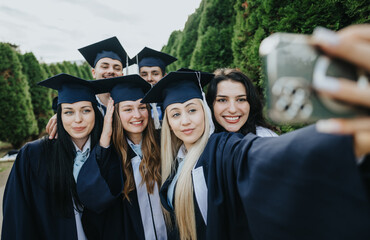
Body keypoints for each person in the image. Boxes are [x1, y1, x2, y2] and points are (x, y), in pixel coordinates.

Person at [141, 70, 370, 240]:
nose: (185, 121)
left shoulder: (222, 147)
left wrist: (345, 139)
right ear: (168, 122)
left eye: (192, 110)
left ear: (205, 112)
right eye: (175, 114)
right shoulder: (176, 159)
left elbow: (266, 156)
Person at [1, 73, 121, 239]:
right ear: (59, 116)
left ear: (96, 112)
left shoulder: (111, 151)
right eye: (68, 112)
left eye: (85, 110)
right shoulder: (33, 155)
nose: (78, 120)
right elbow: (17, 215)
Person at [77, 75, 167, 239]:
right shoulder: (111, 154)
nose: (137, 115)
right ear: (115, 113)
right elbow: (92, 197)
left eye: (142, 107)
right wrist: (105, 138)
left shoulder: (164, 145)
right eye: (127, 109)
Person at [46, 37, 129, 138]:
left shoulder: (129, 104)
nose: (111, 71)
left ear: (122, 74)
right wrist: (60, 117)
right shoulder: (85, 103)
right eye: (104, 66)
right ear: (93, 72)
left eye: (117, 68)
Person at [206, 68, 278, 136]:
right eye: (222, 100)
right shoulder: (201, 142)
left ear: (251, 103)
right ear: (210, 104)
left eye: (241, 99)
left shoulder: (266, 140)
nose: (232, 110)